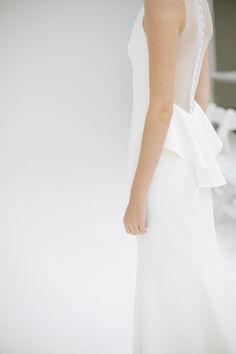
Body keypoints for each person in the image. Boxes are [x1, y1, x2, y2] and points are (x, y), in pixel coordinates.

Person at [123, 0, 236, 353]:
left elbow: (160, 107)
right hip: (184, 159)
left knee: (166, 281)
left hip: (162, 166)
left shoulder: (162, 4)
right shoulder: (200, 5)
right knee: (193, 268)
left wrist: (138, 194)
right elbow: (198, 99)